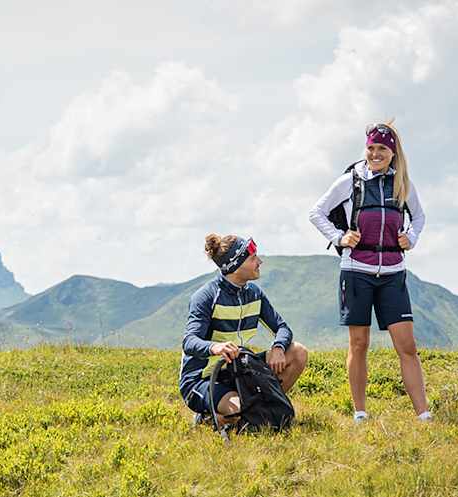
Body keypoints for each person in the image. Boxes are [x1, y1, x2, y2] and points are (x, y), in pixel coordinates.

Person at [308, 121, 430, 423]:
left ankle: (423, 415)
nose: (375, 154)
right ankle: (360, 413)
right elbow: (316, 212)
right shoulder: (350, 181)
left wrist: (410, 238)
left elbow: (420, 216)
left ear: (393, 153)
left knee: (407, 346)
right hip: (356, 271)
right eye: (371, 148)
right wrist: (339, 237)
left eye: (382, 149)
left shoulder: (401, 183)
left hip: (393, 273)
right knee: (359, 343)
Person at [180, 234, 308, 425]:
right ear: (235, 265)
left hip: (238, 371)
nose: (260, 261)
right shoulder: (206, 297)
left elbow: (282, 327)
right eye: (253, 258)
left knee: (298, 352)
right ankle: (207, 416)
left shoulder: (254, 293)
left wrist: (278, 348)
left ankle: (265, 407)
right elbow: (189, 341)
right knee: (243, 412)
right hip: (202, 380)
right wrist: (216, 347)